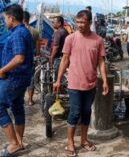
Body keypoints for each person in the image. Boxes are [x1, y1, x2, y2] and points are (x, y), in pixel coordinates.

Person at [53, 10, 109, 157]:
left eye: (83, 22)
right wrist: (58, 79)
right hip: (74, 84)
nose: (79, 25)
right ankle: (70, 142)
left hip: (90, 84)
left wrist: (104, 81)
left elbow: (101, 62)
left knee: (86, 112)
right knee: (75, 112)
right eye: (77, 22)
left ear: (90, 23)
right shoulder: (70, 39)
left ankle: (84, 140)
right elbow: (65, 60)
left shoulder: (98, 40)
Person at [0, 4, 33, 156]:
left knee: (0, 107)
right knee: (17, 107)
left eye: (5, 18)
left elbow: (19, 58)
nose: (4, 22)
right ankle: (19, 142)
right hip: (21, 78)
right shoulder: (22, 31)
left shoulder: (18, 33)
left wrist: (2, 70)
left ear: (11, 18)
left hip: (14, 78)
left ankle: (13, 143)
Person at [23, 11, 40, 106]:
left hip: (19, 59)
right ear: (28, 19)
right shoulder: (35, 31)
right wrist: (37, 58)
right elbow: (38, 49)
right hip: (31, 58)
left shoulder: (18, 30)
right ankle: (30, 100)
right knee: (31, 80)